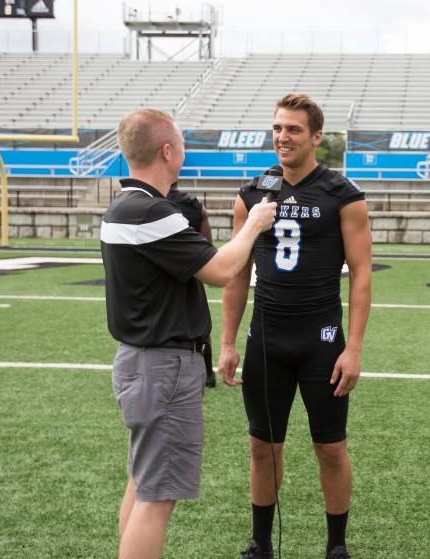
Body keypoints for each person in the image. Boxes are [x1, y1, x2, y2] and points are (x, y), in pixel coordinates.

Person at [101, 108, 276, 559]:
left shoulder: (124, 206)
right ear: (166, 150)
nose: (183, 151)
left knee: (142, 484)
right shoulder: (150, 211)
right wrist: (255, 223)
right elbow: (220, 269)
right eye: (180, 143)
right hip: (163, 366)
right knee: (156, 498)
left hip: (139, 361)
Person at [218, 93, 372, 559]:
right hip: (266, 336)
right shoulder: (252, 194)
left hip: (321, 340)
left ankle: (336, 546)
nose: (283, 137)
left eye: (294, 130)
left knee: (330, 448)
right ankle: (260, 543)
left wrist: (355, 348)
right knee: (262, 446)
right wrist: (226, 341)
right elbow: (236, 272)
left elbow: (362, 274)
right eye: (278, 128)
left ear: (317, 137)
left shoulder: (342, 195)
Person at [167, 182, 217, 388]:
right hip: (191, 276)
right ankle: (208, 372)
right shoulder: (194, 205)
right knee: (199, 324)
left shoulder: (143, 204)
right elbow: (208, 248)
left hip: (157, 280)